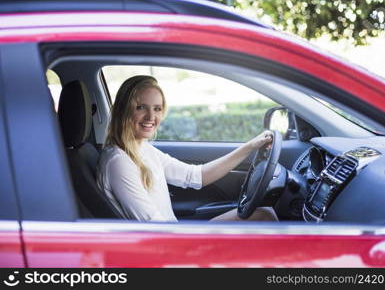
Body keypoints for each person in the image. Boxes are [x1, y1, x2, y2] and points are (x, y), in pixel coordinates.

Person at [97, 75, 278, 222]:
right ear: (124, 110)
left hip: (173, 236)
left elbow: (196, 176)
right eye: (141, 107)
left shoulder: (142, 148)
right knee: (264, 217)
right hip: (168, 249)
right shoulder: (118, 161)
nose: (151, 116)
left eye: (157, 108)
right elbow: (152, 227)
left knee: (264, 214)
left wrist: (250, 146)